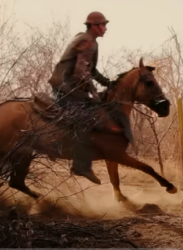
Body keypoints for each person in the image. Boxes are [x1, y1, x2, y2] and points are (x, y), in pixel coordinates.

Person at [47, 11, 133, 184]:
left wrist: (108, 83)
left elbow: (91, 70)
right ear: (94, 26)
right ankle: (81, 166)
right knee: (86, 119)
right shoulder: (88, 42)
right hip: (66, 89)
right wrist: (93, 92)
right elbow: (81, 70)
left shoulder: (86, 40)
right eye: (103, 25)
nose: (106, 29)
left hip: (67, 87)